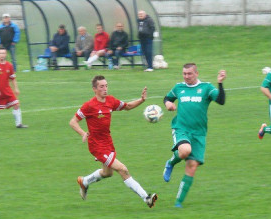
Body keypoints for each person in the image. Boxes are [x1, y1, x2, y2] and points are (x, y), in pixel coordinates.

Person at [70, 75, 158, 208]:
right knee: (122, 169)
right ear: (94, 89)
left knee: (107, 173)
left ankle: (85, 181)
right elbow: (73, 122)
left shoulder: (110, 101)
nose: (105, 89)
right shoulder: (89, 106)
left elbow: (127, 106)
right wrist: (83, 133)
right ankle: (146, 198)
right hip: (97, 146)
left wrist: (141, 100)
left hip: (108, 143)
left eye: (106, 86)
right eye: (101, 86)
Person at [162, 64, 226, 208]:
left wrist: (220, 83)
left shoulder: (206, 88)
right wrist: (168, 104)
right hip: (181, 128)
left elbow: (221, 101)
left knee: (192, 166)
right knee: (185, 151)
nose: (186, 76)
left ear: (196, 73)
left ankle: (178, 202)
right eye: (184, 73)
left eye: (189, 74)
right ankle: (171, 163)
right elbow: (167, 98)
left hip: (199, 133)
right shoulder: (179, 87)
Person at [0, 48, 28, 130]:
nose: (2, 55)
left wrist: (16, 88)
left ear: (6, 55)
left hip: (7, 90)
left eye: (3, 53)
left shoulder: (9, 65)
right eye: (0, 53)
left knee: (16, 104)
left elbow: (13, 78)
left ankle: (19, 124)